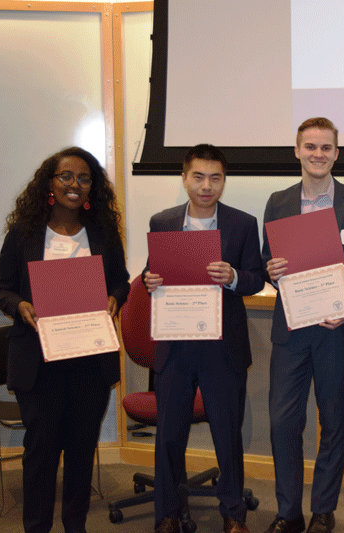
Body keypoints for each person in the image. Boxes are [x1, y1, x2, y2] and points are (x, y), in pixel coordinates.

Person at [0, 147, 130, 533]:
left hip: (89, 357)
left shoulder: (101, 233)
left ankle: (75, 525)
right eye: (66, 176)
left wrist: (114, 298)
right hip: (40, 361)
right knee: (41, 452)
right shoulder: (24, 233)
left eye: (84, 178)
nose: (75, 184)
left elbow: (121, 281)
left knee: (82, 450)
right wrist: (20, 305)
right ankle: (36, 527)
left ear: (93, 187)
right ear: (50, 183)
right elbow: (2, 289)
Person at [262, 117, 344, 533]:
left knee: (333, 422)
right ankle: (288, 510)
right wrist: (270, 269)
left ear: (336, 153)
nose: (317, 154)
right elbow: (267, 263)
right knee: (283, 423)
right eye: (309, 147)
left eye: (325, 147)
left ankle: (323, 509)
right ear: (296, 151)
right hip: (292, 331)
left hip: (337, 329)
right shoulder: (277, 202)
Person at [143, 144, 264, 533]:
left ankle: (233, 513)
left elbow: (256, 278)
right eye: (198, 177)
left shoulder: (242, 224)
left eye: (215, 178)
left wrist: (232, 277)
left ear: (224, 181)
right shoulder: (162, 221)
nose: (206, 186)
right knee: (170, 436)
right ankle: (167, 513)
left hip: (222, 347)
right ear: (184, 178)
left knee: (227, 435)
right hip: (175, 345)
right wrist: (149, 281)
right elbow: (150, 274)